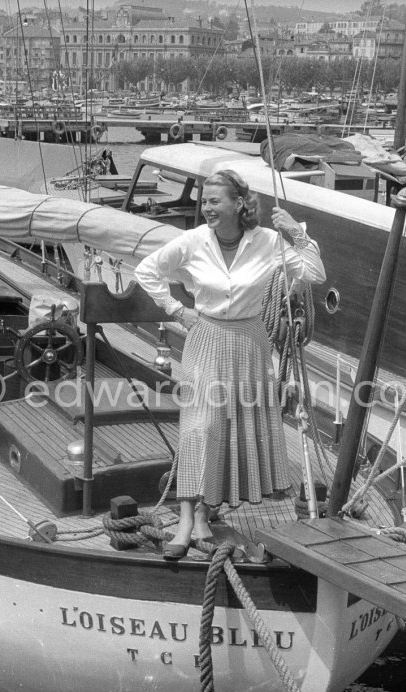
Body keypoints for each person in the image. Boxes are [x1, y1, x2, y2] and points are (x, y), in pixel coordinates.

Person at [134, 169, 326, 559]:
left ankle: (204, 516)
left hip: (251, 342)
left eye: (214, 201)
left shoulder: (268, 242)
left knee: (229, 428)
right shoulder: (192, 241)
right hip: (206, 338)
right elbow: (146, 270)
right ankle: (187, 522)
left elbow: (314, 274)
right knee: (199, 427)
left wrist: (297, 234)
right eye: (204, 201)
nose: (206, 208)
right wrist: (175, 309)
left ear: (239, 204)